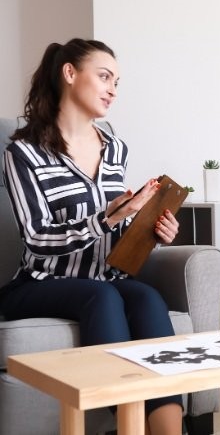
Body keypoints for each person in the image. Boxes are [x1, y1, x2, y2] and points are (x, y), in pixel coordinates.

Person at [1, 39, 184, 435]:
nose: (112, 90)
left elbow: (116, 228)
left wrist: (152, 229)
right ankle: (128, 426)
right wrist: (105, 218)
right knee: (101, 296)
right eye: (104, 77)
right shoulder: (24, 153)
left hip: (105, 277)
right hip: (41, 282)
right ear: (70, 73)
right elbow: (35, 238)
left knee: (147, 297)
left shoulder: (115, 149)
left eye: (116, 82)